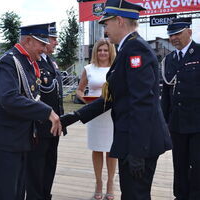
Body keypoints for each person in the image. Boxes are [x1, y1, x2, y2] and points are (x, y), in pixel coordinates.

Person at [60, 0, 172, 199]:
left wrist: (138, 151)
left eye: (106, 23)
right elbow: (112, 97)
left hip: (139, 142)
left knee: (135, 195)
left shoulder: (135, 50)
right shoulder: (126, 48)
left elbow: (142, 103)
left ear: (119, 20)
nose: (105, 29)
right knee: (130, 193)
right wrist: (76, 115)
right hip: (132, 138)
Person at [0, 23, 62, 200]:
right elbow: (9, 99)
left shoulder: (27, 62)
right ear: (28, 40)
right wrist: (47, 112)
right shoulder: (9, 61)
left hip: (21, 137)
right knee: (7, 191)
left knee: (19, 190)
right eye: (41, 43)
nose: (44, 47)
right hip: (5, 138)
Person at [25, 22, 66, 200]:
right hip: (39, 127)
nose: (56, 42)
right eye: (53, 39)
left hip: (53, 126)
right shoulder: (31, 63)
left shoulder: (51, 62)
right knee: (35, 170)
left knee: (50, 166)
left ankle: (45, 195)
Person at [161, 18, 200, 200]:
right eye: (171, 35)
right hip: (176, 123)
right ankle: (181, 196)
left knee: (197, 164)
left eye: (178, 33)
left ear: (189, 32)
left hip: (198, 123)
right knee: (179, 163)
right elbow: (166, 96)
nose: (174, 38)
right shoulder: (168, 60)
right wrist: (164, 123)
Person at [76, 39, 117, 200]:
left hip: (112, 114)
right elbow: (79, 90)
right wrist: (85, 99)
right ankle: (99, 182)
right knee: (97, 148)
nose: (102, 53)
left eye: (106, 50)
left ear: (110, 52)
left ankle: (110, 184)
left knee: (112, 150)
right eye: (100, 50)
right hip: (95, 114)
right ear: (95, 52)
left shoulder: (116, 68)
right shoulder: (89, 68)